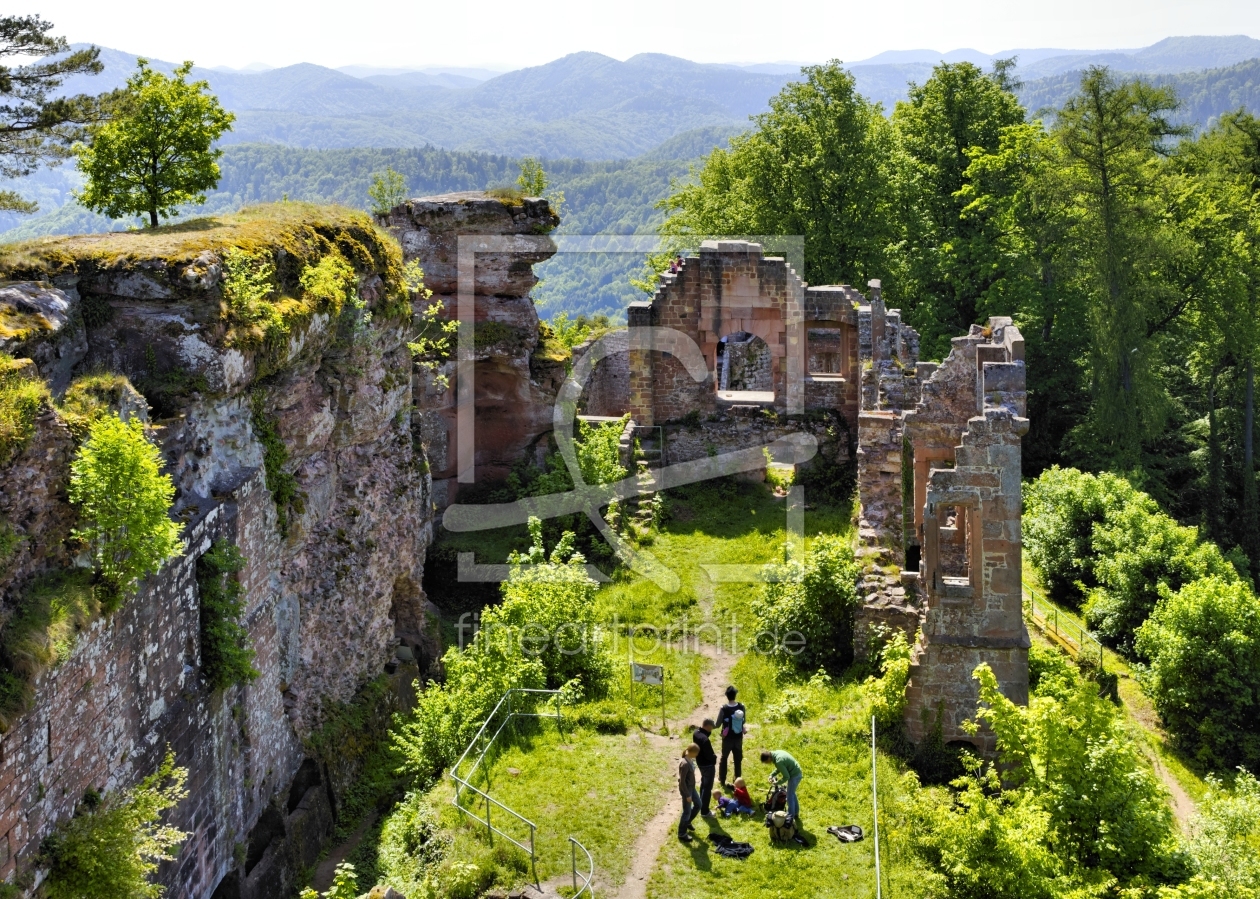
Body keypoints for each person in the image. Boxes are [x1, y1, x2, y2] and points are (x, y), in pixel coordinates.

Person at [716, 685, 746, 789]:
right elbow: (744, 721)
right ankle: (737, 780)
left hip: (727, 739)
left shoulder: (723, 708)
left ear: (727, 696)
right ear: (735, 695)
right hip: (738, 738)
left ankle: (722, 779)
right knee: (738, 760)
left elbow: (718, 723)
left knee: (724, 758)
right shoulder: (741, 707)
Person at [760, 749, 803, 821]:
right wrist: (772, 775)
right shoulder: (776, 753)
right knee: (792, 793)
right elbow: (780, 768)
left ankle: (790, 817)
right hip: (797, 771)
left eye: (766, 762)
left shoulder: (778, 761)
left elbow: (787, 777)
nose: (767, 763)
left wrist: (776, 783)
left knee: (789, 796)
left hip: (795, 775)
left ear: (769, 758)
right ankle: (795, 813)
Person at [692, 719, 717, 816]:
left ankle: (699, 805)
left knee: (703, 785)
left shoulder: (696, 733)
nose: (711, 730)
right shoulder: (705, 740)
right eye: (711, 727)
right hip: (708, 765)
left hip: (700, 763)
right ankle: (705, 811)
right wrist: (714, 758)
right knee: (707, 788)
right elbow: (709, 755)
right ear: (708, 726)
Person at [678, 744, 700, 842]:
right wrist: (687, 795)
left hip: (692, 788)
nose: (697, 755)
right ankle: (682, 833)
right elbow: (682, 782)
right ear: (691, 752)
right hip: (687, 790)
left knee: (698, 804)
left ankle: (688, 822)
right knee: (687, 811)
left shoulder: (690, 760)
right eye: (696, 753)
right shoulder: (685, 764)